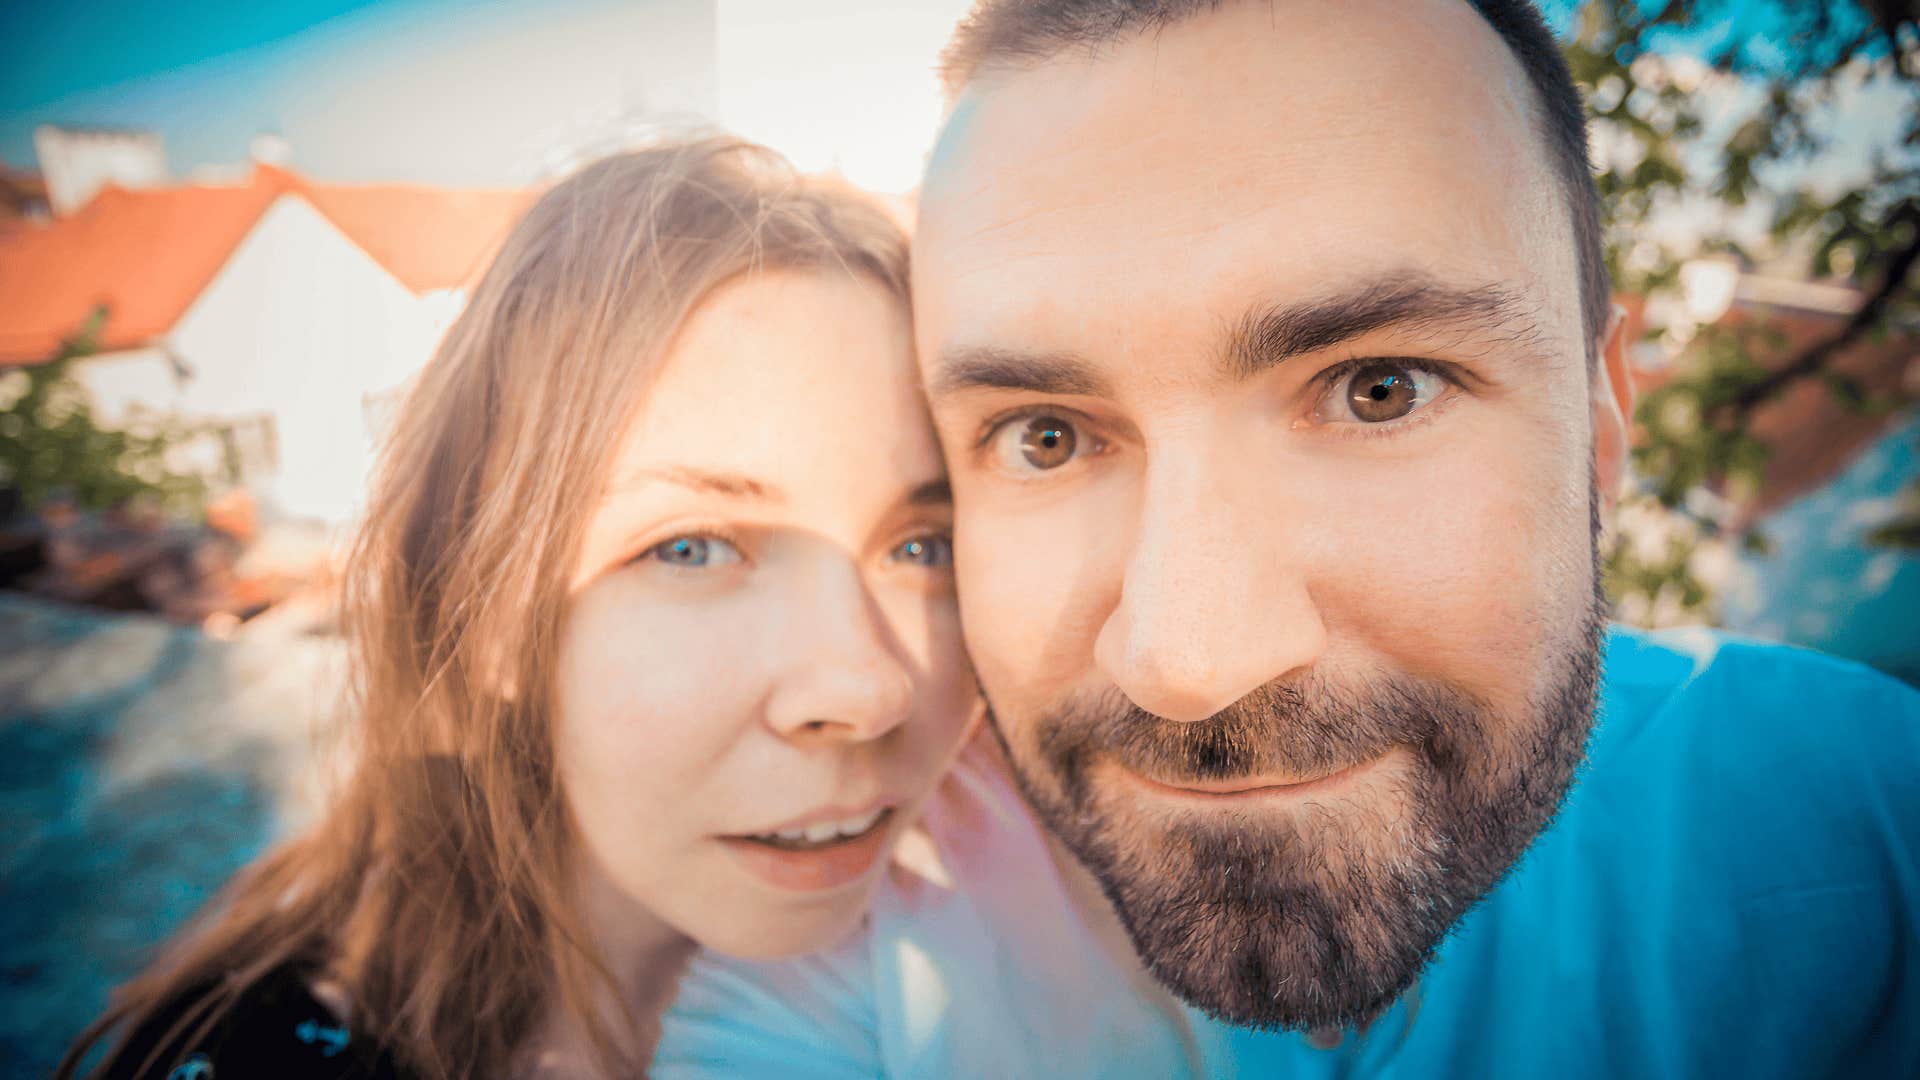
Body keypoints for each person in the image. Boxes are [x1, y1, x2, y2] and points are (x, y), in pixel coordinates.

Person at [653, 1, 1920, 1076]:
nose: (1192, 659)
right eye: (1045, 435)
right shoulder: (854, 959)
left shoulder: (1870, 819)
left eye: (1382, 388)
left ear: (1599, 430)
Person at [59, 137, 978, 1079]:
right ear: (489, 617)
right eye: (690, 547)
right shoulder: (251, 1060)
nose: (866, 690)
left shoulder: (1003, 977)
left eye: (926, 546)